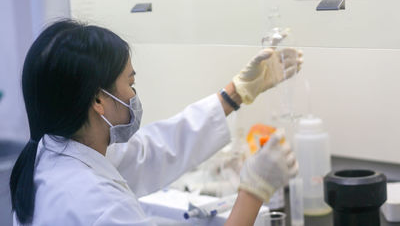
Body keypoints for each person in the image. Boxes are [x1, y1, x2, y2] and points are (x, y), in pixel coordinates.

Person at [9, 20, 302, 226]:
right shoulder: (99, 206)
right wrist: (254, 192)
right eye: (130, 81)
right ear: (98, 99)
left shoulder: (53, 153)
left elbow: (150, 153)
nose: (133, 94)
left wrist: (234, 94)